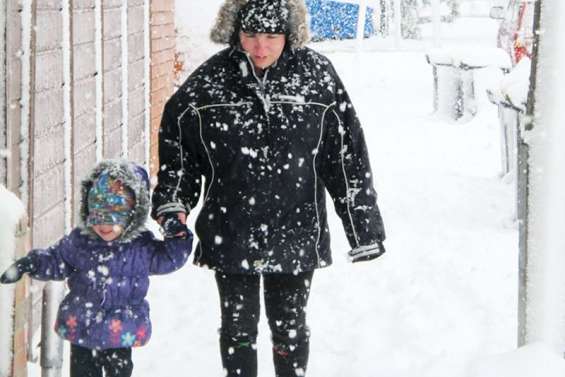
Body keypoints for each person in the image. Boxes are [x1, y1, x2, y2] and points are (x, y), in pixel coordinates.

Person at [152, 0, 386, 376]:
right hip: (231, 227)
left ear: (288, 35)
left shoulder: (317, 76)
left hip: (297, 227)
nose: (260, 47)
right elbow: (179, 148)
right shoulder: (211, 81)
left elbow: (345, 157)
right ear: (235, 33)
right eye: (251, 36)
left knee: (289, 328)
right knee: (238, 328)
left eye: (271, 37)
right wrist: (173, 205)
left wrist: (363, 228)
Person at [0, 159, 193, 377]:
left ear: (132, 216)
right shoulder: (82, 241)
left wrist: (178, 236)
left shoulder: (141, 247)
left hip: (120, 336)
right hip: (82, 329)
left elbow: (169, 258)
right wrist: (32, 263)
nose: (104, 227)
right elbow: (57, 259)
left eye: (113, 220)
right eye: (98, 217)